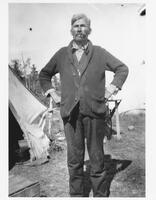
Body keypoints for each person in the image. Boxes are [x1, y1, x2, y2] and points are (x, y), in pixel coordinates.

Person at [39, 13, 129, 197]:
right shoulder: (62, 54)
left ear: (89, 30)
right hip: (70, 115)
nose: (79, 29)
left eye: (83, 26)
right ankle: (77, 195)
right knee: (74, 160)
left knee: (97, 160)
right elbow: (44, 75)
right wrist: (54, 94)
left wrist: (110, 89)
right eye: (76, 26)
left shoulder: (100, 53)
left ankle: (100, 194)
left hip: (95, 113)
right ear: (71, 30)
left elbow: (122, 69)